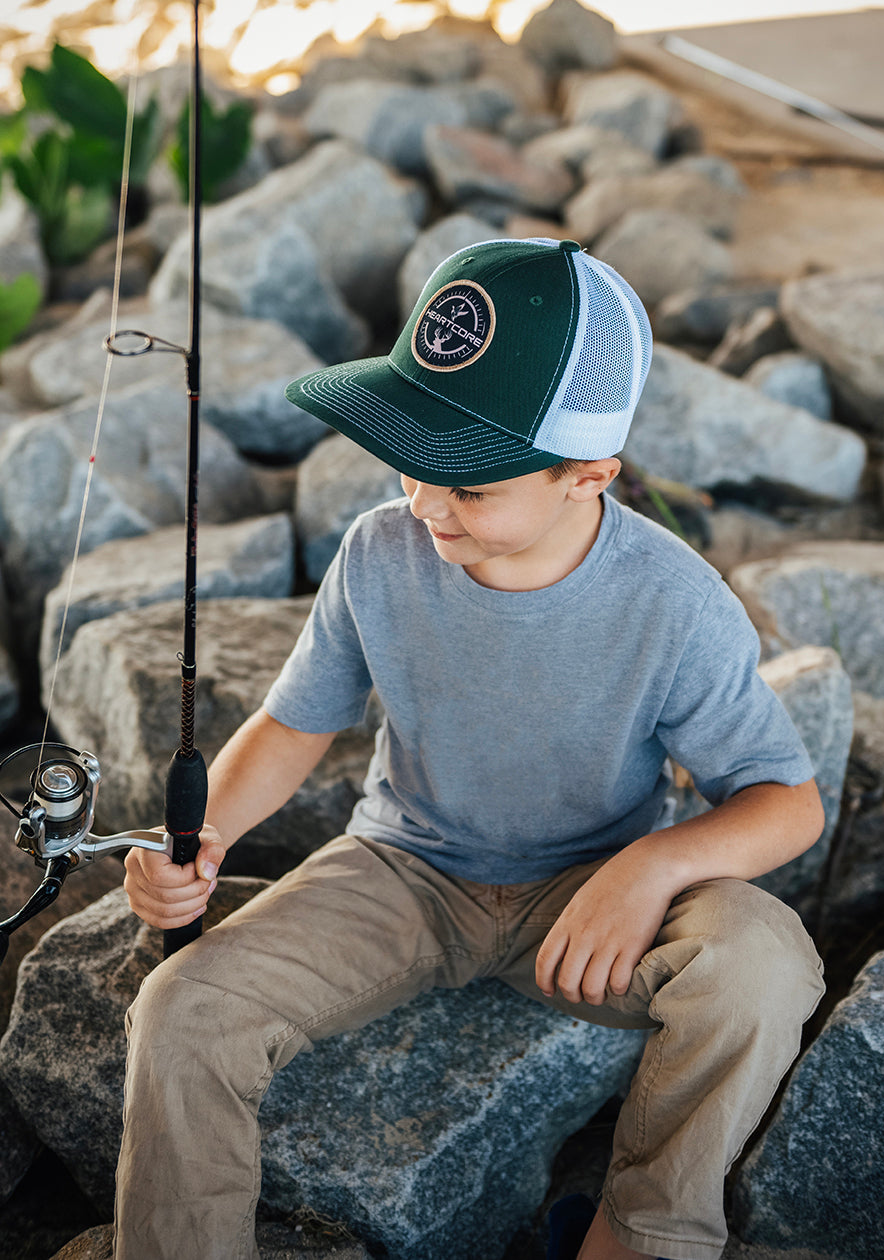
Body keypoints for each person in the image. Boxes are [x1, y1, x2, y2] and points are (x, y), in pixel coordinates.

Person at [115, 238, 826, 1260]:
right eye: (413, 463)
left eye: (471, 485)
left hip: (584, 900)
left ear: (589, 476)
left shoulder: (675, 604)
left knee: (760, 962)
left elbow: (785, 801)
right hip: (400, 873)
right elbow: (292, 725)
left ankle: (639, 1231)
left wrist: (651, 867)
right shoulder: (380, 552)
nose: (423, 505)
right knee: (181, 1008)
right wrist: (203, 834)